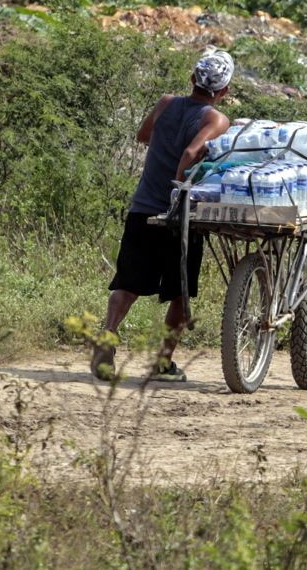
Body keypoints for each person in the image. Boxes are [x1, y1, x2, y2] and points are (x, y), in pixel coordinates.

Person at [90, 52, 234, 382]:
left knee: (128, 282)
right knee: (181, 292)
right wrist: (177, 195)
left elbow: (143, 136)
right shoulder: (216, 120)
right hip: (177, 217)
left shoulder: (166, 102)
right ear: (224, 90)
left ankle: (108, 337)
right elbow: (190, 153)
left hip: (141, 207)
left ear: (192, 79)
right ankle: (164, 362)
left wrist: (165, 143)